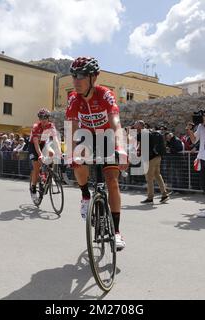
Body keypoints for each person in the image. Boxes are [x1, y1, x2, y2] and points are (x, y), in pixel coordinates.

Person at [65, 56, 128, 250]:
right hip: (86, 137)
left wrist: (122, 148)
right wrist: (72, 151)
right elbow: (73, 128)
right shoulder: (74, 99)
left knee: (112, 181)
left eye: (82, 76)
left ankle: (116, 232)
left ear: (94, 77)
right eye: (74, 76)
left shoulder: (105, 94)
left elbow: (115, 122)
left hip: (107, 137)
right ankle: (85, 196)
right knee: (77, 157)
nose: (76, 80)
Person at [135, 120, 169, 204]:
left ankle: (150, 198)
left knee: (149, 178)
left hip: (151, 159)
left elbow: (135, 138)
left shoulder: (144, 133)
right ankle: (164, 195)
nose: (134, 126)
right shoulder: (149, 132)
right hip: (157, 157)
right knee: (157, 175)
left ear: (140, 126)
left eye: (136, 125)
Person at [28, 108, 58, 200]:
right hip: (33, 145)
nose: (43, 120)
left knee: (52, 153)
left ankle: (50, 173)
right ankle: (33, 188)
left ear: (48, 118)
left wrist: (60, 151)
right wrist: (40, 155)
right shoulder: (36, 126)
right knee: (36, 168)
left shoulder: (51, 125)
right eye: (41, 118)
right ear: (39, 119)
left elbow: (55, 139)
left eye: (45, 118)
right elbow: (36, 144)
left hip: (44, 143)